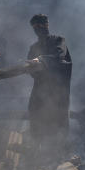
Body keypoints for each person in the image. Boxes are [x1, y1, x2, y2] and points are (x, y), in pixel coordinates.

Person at [24, 14, 72, 147]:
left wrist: (41, 60)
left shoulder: (58, 41)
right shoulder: (33, 47)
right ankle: (38, 155)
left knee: (57, 124)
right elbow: (30, 68)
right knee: (36, 117)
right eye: (35, 27)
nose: (37, 29)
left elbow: (59, 56)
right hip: (40, 90)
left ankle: (56, 157)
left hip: (57, 91)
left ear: (47, 25)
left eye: (40, 25)